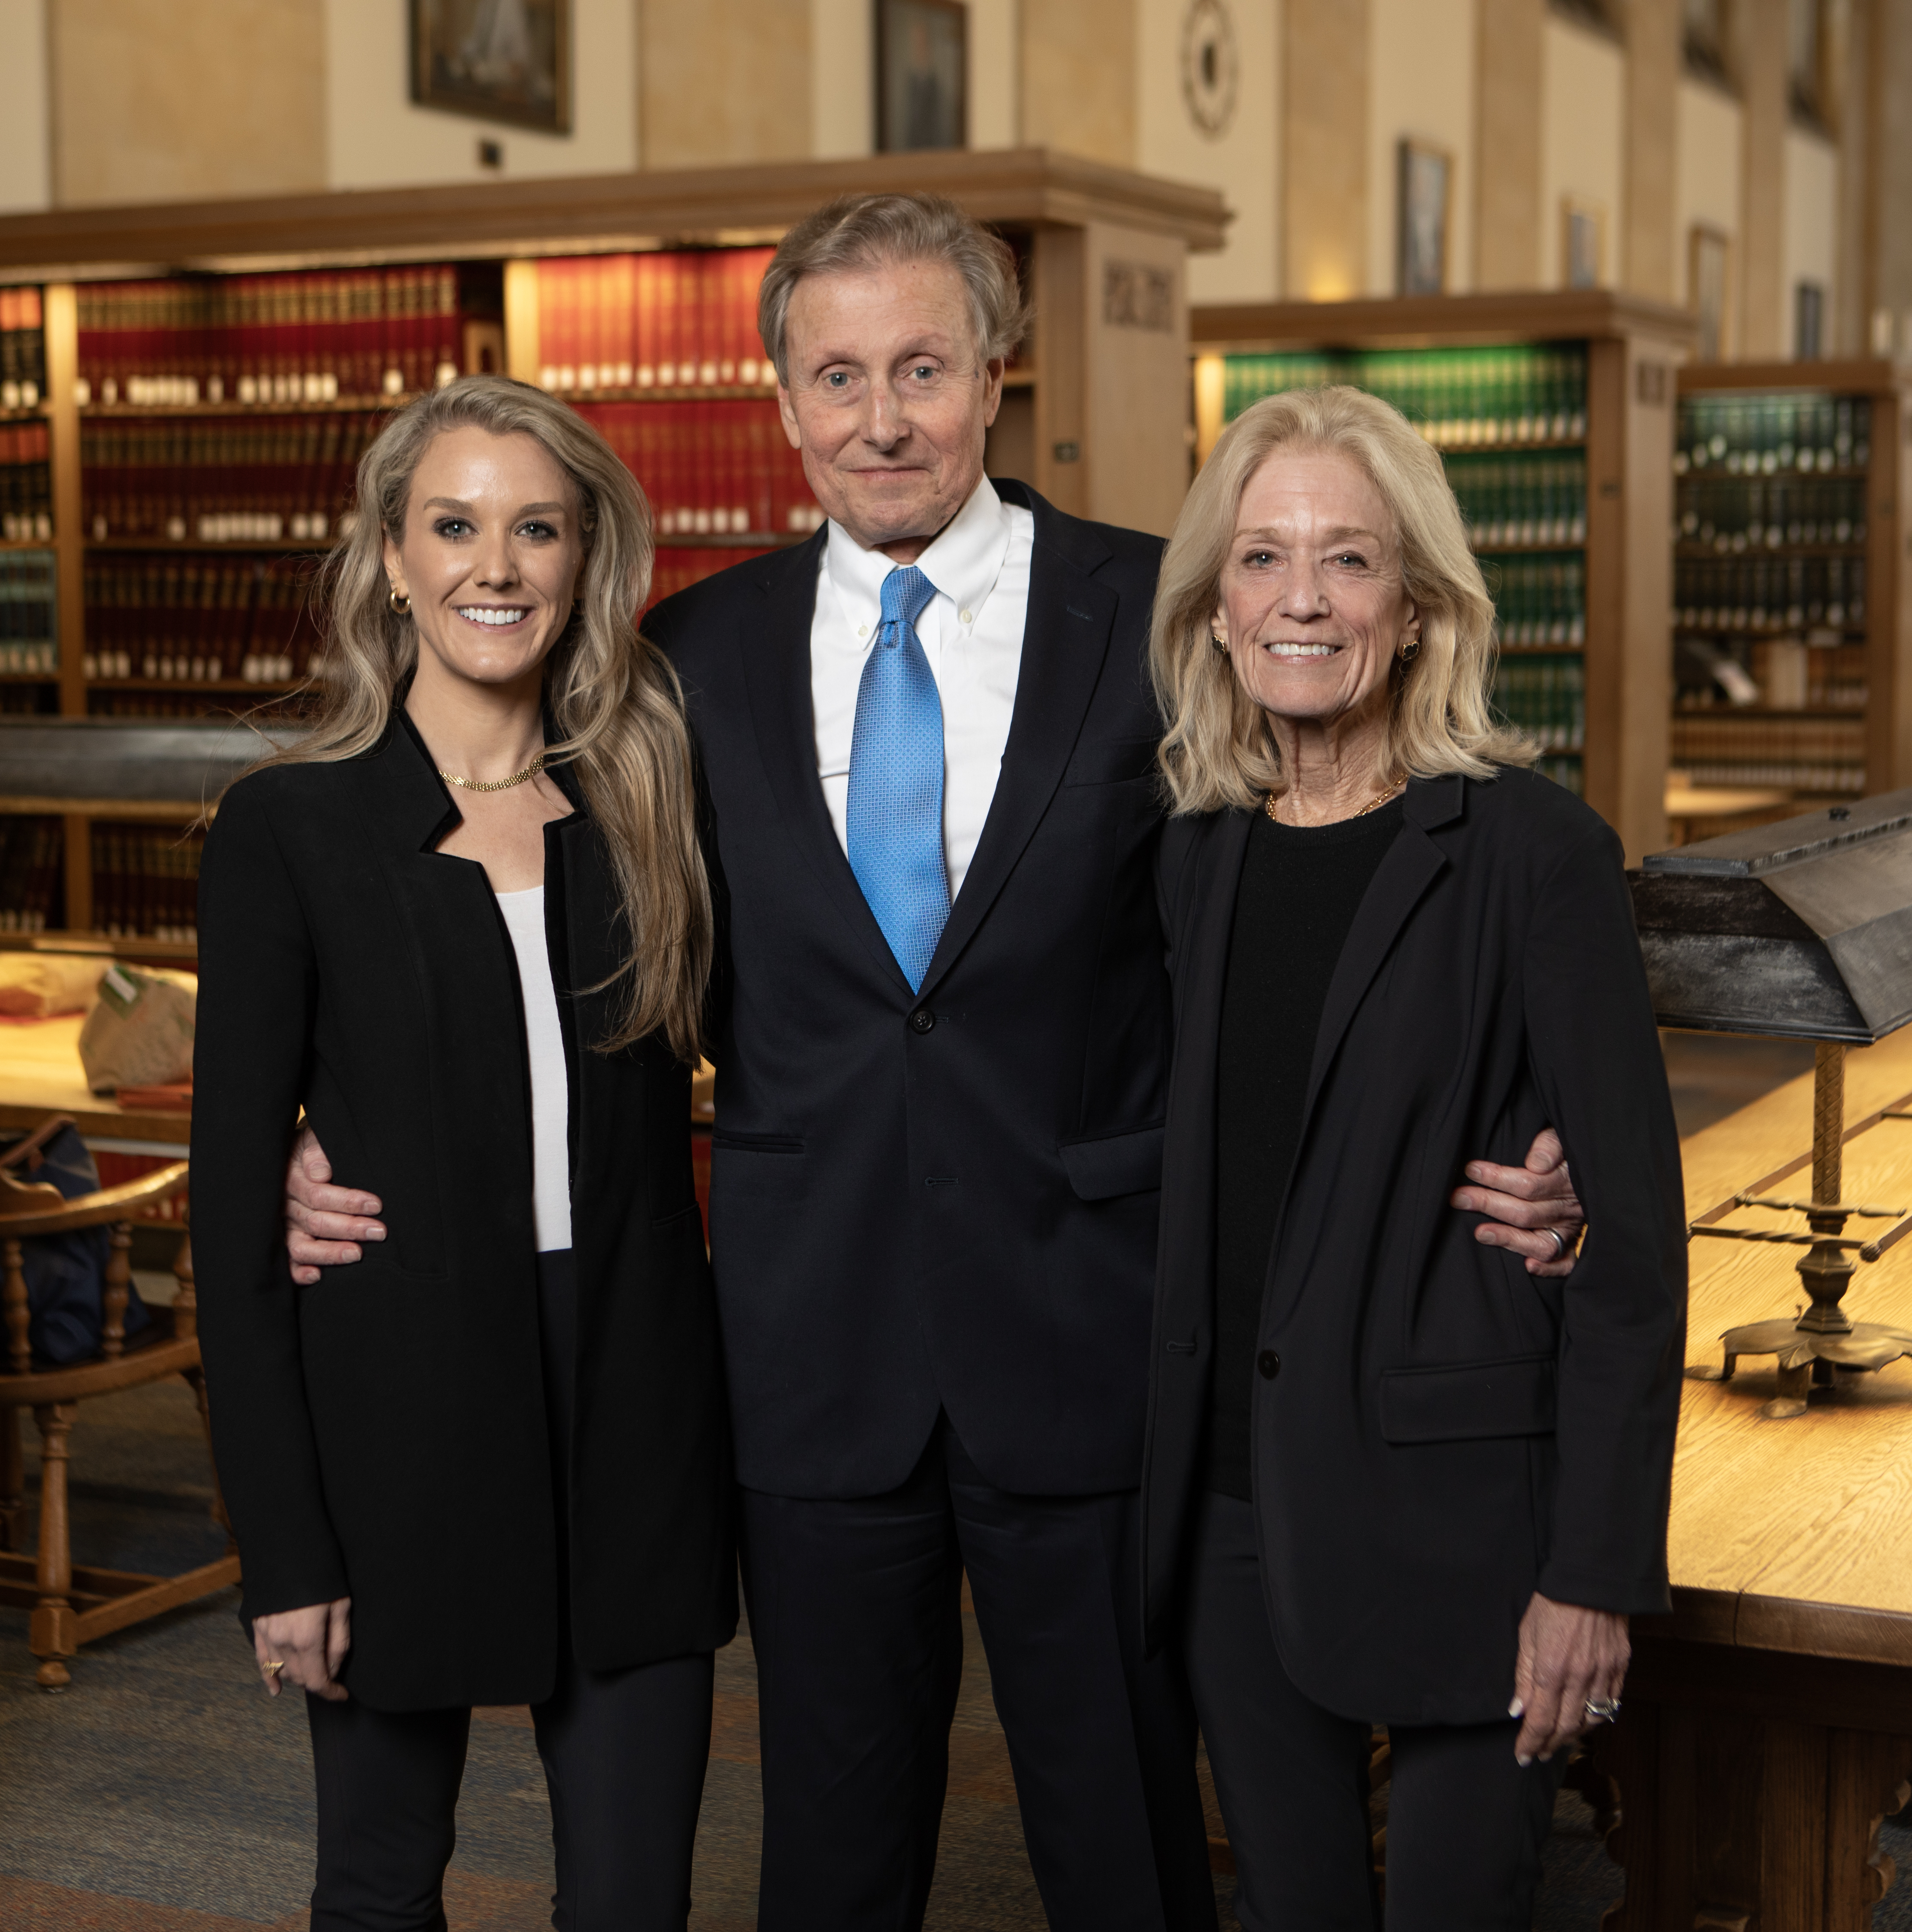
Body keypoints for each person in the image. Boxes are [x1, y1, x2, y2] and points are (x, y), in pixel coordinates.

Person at [280, 196, 1587, 1931]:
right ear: (784, 396)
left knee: (1123, 1846)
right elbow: (563, 952)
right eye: (838, 375)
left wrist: (1520, 1121)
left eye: (921, 367)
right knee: (830, 1855)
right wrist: (336, 1139)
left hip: (1097, 1340)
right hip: (808, 1362)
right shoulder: (689, 659)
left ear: (997, 373)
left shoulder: (1162, 614)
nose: (880, 417)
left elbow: (1339, 884)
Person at [189, 376, 734, 1932]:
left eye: (536, 528)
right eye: (456, 525)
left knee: (635, 1899)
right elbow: (233, 1230)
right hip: (397, 1421)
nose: (495, 565)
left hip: (635, 1410)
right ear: (391, 556)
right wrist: (282, 1549)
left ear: (584, 562)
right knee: (379, 1881)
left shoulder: (650, 803)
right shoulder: (288, 830)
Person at [1139, 385, 1686, 1929]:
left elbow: (1636, 1247)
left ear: (1423, 606)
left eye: (1349, 560)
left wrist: (1594, 1572)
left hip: (1465, 1526)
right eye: (1261, 559)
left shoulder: (1533, 853)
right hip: (1231, 1515)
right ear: (1217, 607)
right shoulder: (1194, 854)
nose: (1300, 597)